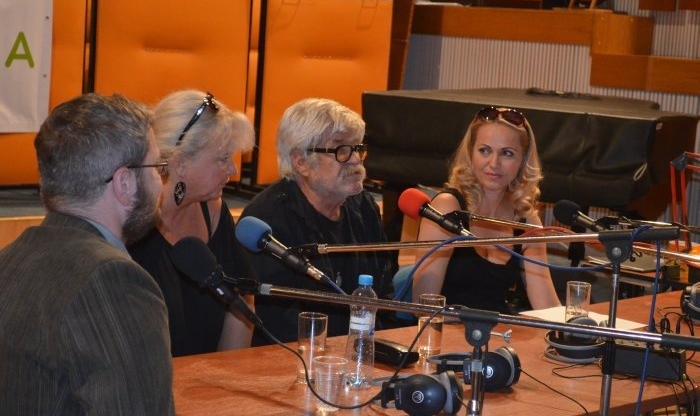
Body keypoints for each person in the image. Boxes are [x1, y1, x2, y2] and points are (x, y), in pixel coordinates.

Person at [0, 93, 176, 416]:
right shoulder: (115, 281)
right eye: (158, 168)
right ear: (124, 182)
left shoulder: (10, 260)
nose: (161, 182)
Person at [241, 98, 395, 345]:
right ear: (301, 162)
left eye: (357, 148)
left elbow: (384, 292)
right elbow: (278, 325)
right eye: (341, 150)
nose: (356, 160)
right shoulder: (268, 223)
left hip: (361, 349)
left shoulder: (363, 206)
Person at [129, 89, 257, 357]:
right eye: (223, 159)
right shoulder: (133, 226)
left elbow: (241, 302)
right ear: (180, 163)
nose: (233, 170)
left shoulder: (214, 210)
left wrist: (225, 375)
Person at [412, 106, 560, 313]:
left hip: (501, 331)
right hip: (448, 328)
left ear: (522, 160)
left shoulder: (526, 220)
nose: (494, 163)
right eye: (484, 150)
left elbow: (548, 308)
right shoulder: (447, 209)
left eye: (507, 153)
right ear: (471, 153)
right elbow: (423, 306)